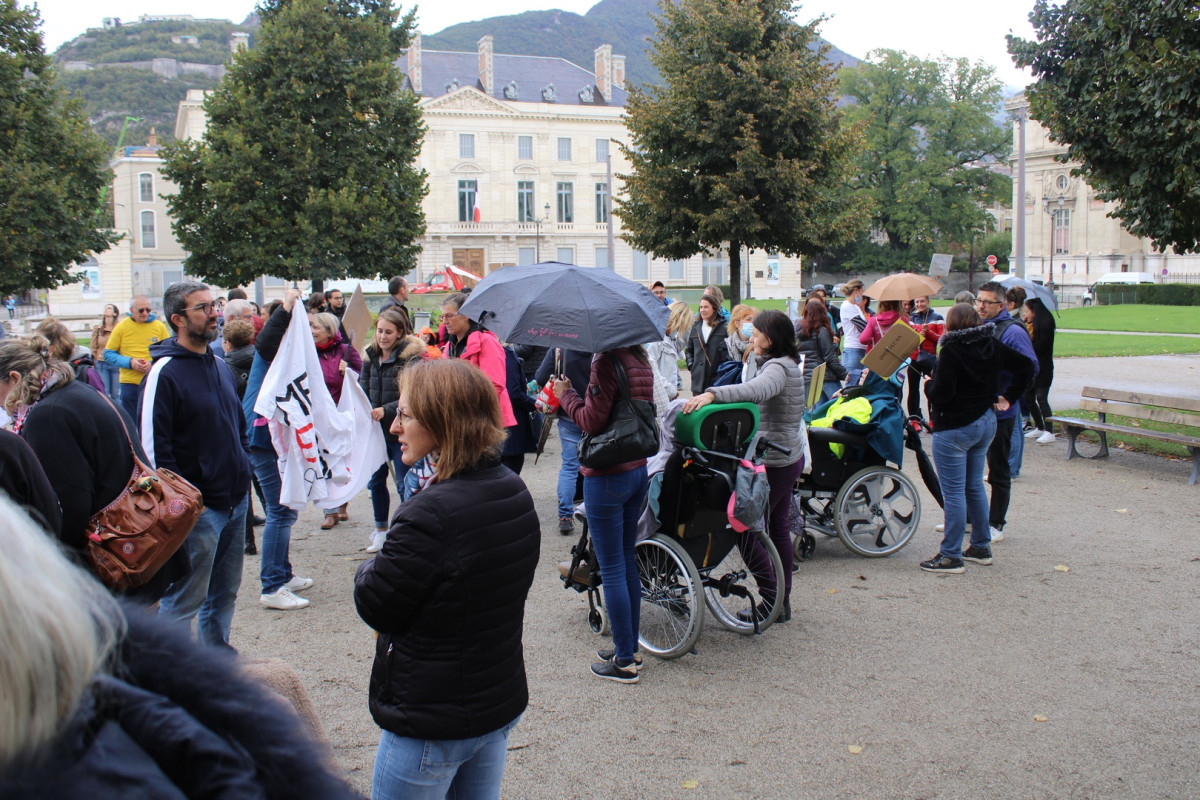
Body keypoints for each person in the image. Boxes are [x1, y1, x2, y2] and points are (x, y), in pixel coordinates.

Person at [0, 495, 358, 799]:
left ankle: (218, 652)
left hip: (219, 501)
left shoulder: (108, 731)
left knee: (215, 597)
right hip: (209, 506)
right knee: (187, 604)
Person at [354, 359, 539, 800]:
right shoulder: (510, 488)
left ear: (443, 421)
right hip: (493, 701)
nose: (396, 426)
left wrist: (369, 565)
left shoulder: (429, 513)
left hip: (432, 719)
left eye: (407, 415)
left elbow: (376, 602)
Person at [0, 335, 186, 600]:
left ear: (15, 378)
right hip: (139, 540)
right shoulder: (74, 391)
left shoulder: (46, 415)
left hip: (116, 559)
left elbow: (68, 507)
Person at [142, 281, 253, 648]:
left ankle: (215, 667)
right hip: (197, 511)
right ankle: (173, 676)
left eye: (214, 305)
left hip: (234, 501)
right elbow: (154, 450)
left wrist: (243, 473)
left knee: (225, 594)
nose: (214, 314)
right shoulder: (164, 372)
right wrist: (184, 504)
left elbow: (238, 427)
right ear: (177, 319)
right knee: (184, 600)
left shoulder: (219, 365)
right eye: (202, 308)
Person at [682, 310, 805, 620]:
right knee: (776, 529)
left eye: (758, 330)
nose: (752, 334)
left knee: (744, 529)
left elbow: (754, 391)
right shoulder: (787, 363)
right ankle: (781, 603)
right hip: (788, 455)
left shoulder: (777, 367)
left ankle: (771, 600)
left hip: (776, 461)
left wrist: (712, 394)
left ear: (771, 338)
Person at [555, 344, 656, 683]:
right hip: (636, 468)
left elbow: (592, 420)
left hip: (607, 472)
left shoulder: (605, 361)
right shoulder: (639, 359)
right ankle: (630, 648)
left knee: (612, 567)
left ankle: (624, 661)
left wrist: (566, 395)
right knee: (625, 562)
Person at [920, 303, 1034, 573]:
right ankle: (981, 545)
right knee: (973, 485)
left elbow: (942, 394)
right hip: (984, 420)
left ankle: (951, 554)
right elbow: (1026, 366)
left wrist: (928, 384)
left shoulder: (952, 351)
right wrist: (1010, 396)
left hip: (956, 426)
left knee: (954, 492)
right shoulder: (991, 343)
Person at [241, 289, 317, 611]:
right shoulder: (270, 352)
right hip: (262, 439)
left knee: (284, 508)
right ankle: (272, 585)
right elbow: (267, 339)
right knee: (280, 510)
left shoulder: (285, 358)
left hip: (272, 440)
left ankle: (282, 574)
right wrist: (286, 307)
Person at [973, 281, 1039, 543]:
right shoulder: (980, 326)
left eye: (986, 302)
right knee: (972, 468)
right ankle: (970, 517)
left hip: (999, 414)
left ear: (1001, 305)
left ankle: (996, 522)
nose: (981, 306)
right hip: (977, 410)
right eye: (979, 300)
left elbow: (1030, 367)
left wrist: (1008, 397)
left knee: (998, 469)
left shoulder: (1012, 332)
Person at [360, 309, 425, 552]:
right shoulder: (369, 357)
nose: (383, 337)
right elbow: (362, 388)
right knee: (375, 482)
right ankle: (380, 530)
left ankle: (409, 529)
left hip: (401, 430)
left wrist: (385, 410)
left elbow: (411, 393)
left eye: (389, 332)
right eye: (379, 331)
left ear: (399, 334)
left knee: (404, 482)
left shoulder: (410, 360)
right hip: (375, 432)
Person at [310, 311, 363, 530]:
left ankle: (342, 501)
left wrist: (349, 371)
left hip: (342, 413)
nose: (312, 331)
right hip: (319, 416)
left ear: (329, 330)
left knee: (342, 459)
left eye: (316, 328)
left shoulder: (345, 351)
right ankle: (329, 510)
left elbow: (362, 374)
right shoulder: (308, 352)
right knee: (324, 461)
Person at [534, 347, 593, 535]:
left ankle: (565, 516)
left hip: (569, 414)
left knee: (569, 466)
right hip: (595, 414)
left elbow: (541, 375)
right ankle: (592, 513)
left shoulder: (561, 349)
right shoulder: (602, 348)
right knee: (596, 465)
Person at [441, 292, 516, 430]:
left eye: (449, 316)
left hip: (484, 422)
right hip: (459, 420)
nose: (444, 321)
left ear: (466, 315)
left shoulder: (486, 341)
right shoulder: (449, 346)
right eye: (443, 316)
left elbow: (495, 385)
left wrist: (462, 402)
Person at [104, 295, 171, 421]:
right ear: (131, 310)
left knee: (154, 418)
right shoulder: (122, 327)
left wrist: (152, 364)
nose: (145, 313)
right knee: (132, 421)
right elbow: (108, 354)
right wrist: (130, 362)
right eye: (141, 310)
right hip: (130, 384)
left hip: (153, 380)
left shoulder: (159, 327)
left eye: (148, 310)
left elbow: (167, 352)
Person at [795, 298, 847, 403]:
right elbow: (829, 356)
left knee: (816, 412)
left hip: (807, 376)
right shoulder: (822, 331)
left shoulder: (798, 331)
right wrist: (844, 374)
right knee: (838, 406)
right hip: (824, 375)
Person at [1023, 297, 1058, 444]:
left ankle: (1049, 431)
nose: (1025, 313)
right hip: (1033, 368)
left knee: (1041, 398)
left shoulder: (1045, 325)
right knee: (1028, 397)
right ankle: (1039, 426)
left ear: (1034, 312)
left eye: (1027, 311)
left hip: (1044, 368)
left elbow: (1039, 347)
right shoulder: (1030, 325)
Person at [906, 295, 944, 421]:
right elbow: (907, 339)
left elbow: (941, 339)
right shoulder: (911, 318)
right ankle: (914, 419)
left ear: (928, 301)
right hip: (914, 359)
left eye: (922, 301)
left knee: (932, 389)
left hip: (930, 358)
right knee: (913, 390)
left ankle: (934, 419)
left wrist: (928, 332)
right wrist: (917, 335)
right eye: (917, 301)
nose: (919, 304)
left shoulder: (937, 318)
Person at [685, 294, 730, 394]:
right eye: (701, 307)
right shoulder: (695, 327)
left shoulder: (724, 327)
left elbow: (729, 351)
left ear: (714, 308)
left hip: (717, 379)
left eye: (706, 307)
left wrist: (723, 368)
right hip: (698, 380)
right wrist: (692, 365)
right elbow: (689, 350)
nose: (702, 310)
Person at [838, 279, 869, 379]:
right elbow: (862, 325)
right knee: (853, 381)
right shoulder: (847, 306)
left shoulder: (854, 306)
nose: (862, 294)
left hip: (859, 348)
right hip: (853, 348)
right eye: (861, 291)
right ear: (856, 290)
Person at [90, 303, 122, 399]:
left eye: (109, 308)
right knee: (104, 393)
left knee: (116, 395)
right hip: (102, 364)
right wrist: (94, 360)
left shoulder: (119, 328)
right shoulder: (98, 328)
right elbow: (93, 346)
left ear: (115, 314)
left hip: (115, 363)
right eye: (105, 308)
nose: (106, 310)